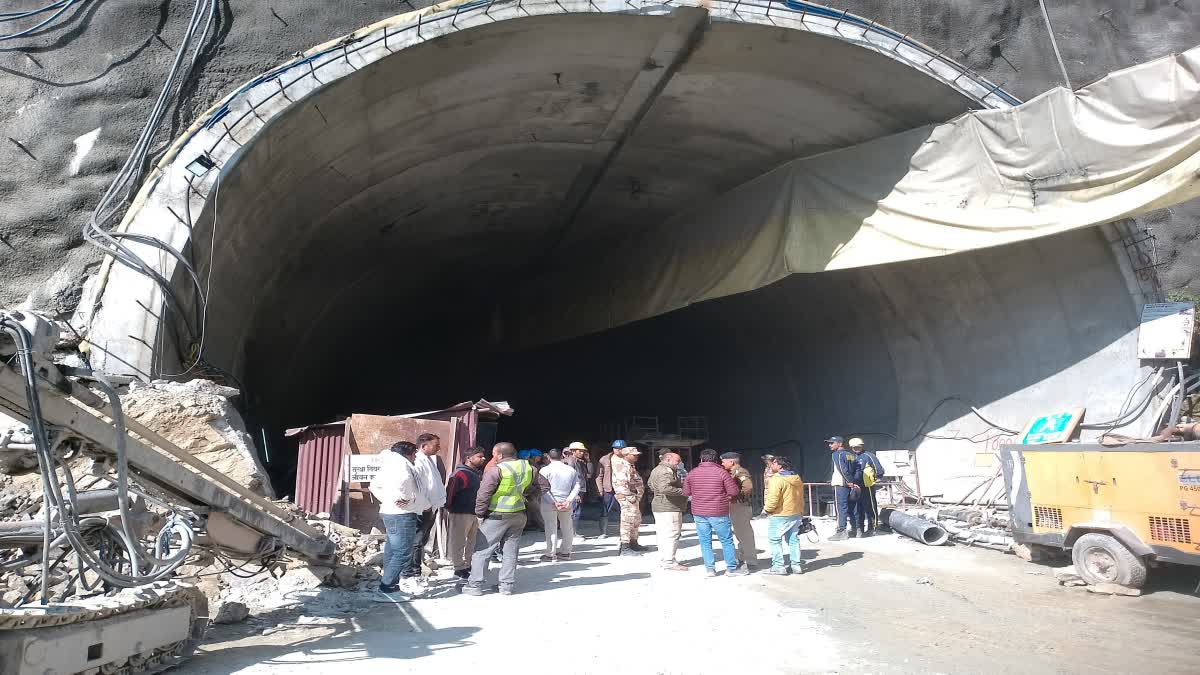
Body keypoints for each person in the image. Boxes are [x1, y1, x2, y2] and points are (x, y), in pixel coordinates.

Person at [463, 442, 540, 596]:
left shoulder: (495, 470)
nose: (492, 457)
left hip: (497, 515)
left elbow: (483, 495)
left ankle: (475, 585)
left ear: (499, 454)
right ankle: (506, 586)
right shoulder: (530, 468)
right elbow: (543, 487)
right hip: (519, 514)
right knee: (510, 551)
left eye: (493, 454)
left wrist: (479, 514)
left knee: (482, 550)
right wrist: (526, 494)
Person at [368, 441, 429, 594]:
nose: (415, 456)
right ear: (408, 453)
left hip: (392, 512)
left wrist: (389, 499)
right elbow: (403, 483)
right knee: (403, 553)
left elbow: (374, 485)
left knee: (392, 551)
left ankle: (391, 585)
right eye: (414, 453)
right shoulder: (401, 465)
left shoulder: (390, 464)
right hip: (402, 514)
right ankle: (386, 588)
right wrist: (404, 498)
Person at [684, 448, 746, 576]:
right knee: (726, 540)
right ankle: (731, 568)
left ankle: (710, 569)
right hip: (719, 512)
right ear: (716, 460)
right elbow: (734, 492)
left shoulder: (692, 473)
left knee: (705, 541)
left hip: (699, 512)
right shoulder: (722, 473)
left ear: (701, 459)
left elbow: (686, 492)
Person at [445, 446, 487, 579]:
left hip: (474, 513)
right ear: (469, 458)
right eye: (479, 456)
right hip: (460, 513)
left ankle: (468, 565)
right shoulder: (459, 474)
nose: (483, 458)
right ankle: (458, 567)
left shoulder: (476, 474)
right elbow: (450, 493)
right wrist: (451, 508)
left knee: (472, 541)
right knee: (458, 541)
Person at [411, 433, 447, 579]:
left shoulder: (429, 460)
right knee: (416, 541)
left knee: (422, 540)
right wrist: (425, 505)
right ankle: (412, 572)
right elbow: (417, 488)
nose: (438, 448)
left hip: (430, 507)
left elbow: (433, 484)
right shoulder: (418, 461)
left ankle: (417, 566)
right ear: (423, 446)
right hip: (422, 508)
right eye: (435, 445)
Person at [763, 456, 806, 575]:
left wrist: (767, 509)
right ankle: (796, 566)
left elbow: (773, 498)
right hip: (795, 513)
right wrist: (801, 511)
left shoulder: (776, 479)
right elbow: (801, 497)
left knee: (775, 540)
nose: (771, 466)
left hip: (780, 514)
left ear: (780, 466)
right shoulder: (796, 478)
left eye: (774, 464)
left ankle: (778, 566)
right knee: (793, 540)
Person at [648, 450, 688, 571]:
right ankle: (669, 561)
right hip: (669, 507)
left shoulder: (656, 469)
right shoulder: (667, 471)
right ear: (668, 459)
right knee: (672, 533)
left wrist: (658, 493)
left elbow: (650, 484)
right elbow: (665, 488)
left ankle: (664, 558)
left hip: (659, 506)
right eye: (677, 461)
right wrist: (684, 492)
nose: (679, 463)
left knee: (662, 533)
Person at [539, 449, 580, 561]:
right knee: (567, 527)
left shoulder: (544, 470)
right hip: (566, 503)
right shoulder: (571, 470)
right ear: (562, 456)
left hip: (549, 504)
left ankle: (550, 554)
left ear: (548, 457)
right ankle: (566, 552)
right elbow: (577, 486)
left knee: (550, 527)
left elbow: (543, 489)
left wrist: (554, 502)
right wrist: (569, 500)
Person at [721, 452, 758, 570]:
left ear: (731, 462)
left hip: (740, 506)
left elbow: (748, 486)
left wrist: (736, 496)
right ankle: (742, 558)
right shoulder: (731, 472)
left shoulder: (740, 472)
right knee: (739, 534)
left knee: (745, 534)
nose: (722, 463)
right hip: (735, 506)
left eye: (723, 461)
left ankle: (750, 561)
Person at [611, 444, 646, 555]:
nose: (636, 457)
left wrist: (638, 495)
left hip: (634, 498)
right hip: (627, 498)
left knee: (636, 520)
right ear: (626, 455)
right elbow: (621, 484)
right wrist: (631, 497)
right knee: (627, 521)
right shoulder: (622, 466)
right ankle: (625, 547)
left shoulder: (630, 465)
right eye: (634, 455)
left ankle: (633, 543)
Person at [827, 436, 863, 541]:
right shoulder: (851, 455)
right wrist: (854, 482)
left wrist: (849, 481)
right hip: (851, 485)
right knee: (853, 507)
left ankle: (841, 531)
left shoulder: (836, 454)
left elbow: (842, 469)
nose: (830, 445)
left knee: (841, 508)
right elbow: (857, 469)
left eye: (832, 443)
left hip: (841, 484)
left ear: (840, 444)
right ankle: (857, 530)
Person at [850, 438, 885, 536]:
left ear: (862, 446)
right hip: (856, 486)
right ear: (851, 447)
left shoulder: (869, 456)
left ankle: (873, 527)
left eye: (859, 447)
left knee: (870, 507)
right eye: (855, 447)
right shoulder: (851, 457)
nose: (857, 449)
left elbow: (878, 469)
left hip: (867, 485)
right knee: (858, 508)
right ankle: (859, 528)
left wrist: (876, 477)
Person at [596, 440, 624, 538]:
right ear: (613, 448)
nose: (619, 450)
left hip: (622, 489)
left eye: (621, 448)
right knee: (604, 511)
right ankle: (603, 532)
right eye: (616, 448)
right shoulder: (605, 459)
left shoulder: (627, 459)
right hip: (608, 489)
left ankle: (624, 532)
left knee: (623, 511)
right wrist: (600, 489)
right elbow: (599, 476)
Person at [563, 441, 590, 531]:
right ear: (573, 451)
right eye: (580, 451)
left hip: (580, 489)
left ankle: (572, 532)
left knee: (577, 511)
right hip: (575, 491)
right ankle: (572, 533)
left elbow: (589, 474)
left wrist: (588, 460)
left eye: (583, 451)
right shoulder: (571, 462)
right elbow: (569, 479)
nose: (582, 453)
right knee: (574, 512)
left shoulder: (580, 462)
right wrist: (575, 494)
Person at [757, 454, 776, 519]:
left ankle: (772, 514)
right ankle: (766, 514)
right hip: (767, 488)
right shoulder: (767, 468)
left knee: (772, 501)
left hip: (773, 488)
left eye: (765, 460)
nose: (764, 461)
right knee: (766, 500)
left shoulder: (774, 468)